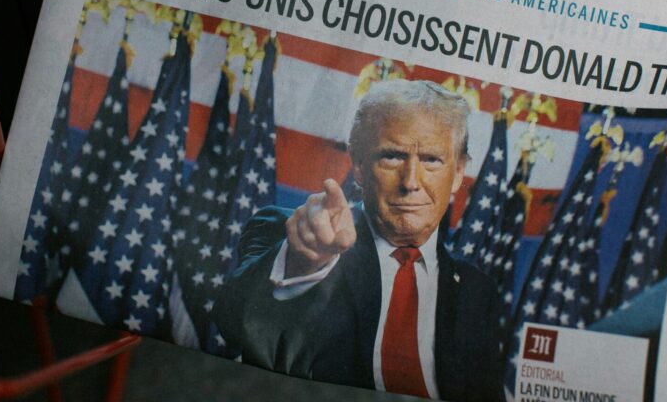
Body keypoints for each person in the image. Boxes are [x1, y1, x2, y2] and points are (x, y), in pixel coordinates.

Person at [214, 80, 503, 402]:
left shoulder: (478, 291)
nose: (411, 182)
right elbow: (231, 322)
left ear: (459, 173)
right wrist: (305, 262)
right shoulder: (294, 232)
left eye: (431, 160)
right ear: (359, 165)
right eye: (392, 157)